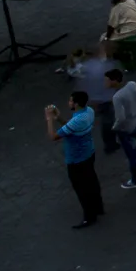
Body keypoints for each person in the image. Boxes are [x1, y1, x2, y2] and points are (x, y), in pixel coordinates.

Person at [46, 89, 104, 228]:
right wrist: (58, 118)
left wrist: (49, 119)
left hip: (77, 159)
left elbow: (53, 137)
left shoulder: (78, 120)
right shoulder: (88, 111)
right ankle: (98, 207)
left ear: (76, 103)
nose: (69, 102)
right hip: (89, 152)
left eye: (71, 100)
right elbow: (71, 126)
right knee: (92, 181)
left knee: (81, 188)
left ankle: (89, 216)